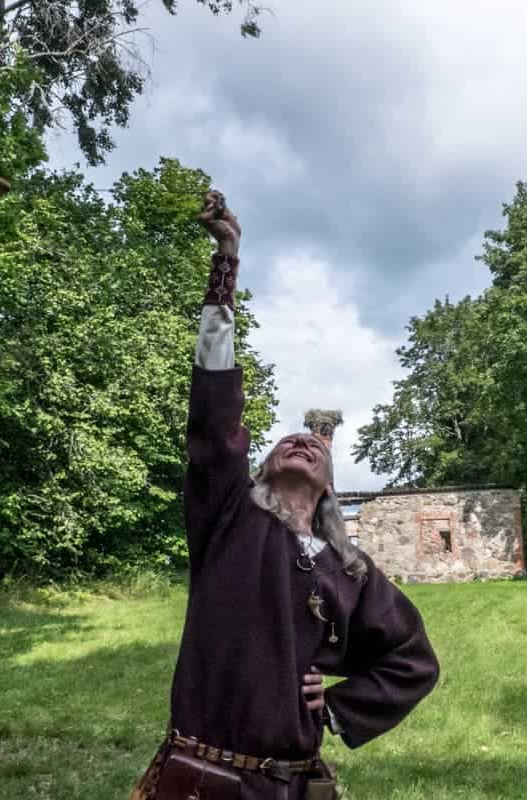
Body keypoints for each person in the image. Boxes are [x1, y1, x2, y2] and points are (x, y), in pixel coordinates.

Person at [131, 191, 440, 800]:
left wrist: (338, 703)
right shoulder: (230, 516)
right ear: (262, 467)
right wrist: (226, 265)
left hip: (293, 787)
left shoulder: (352, 570)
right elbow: (216, 414)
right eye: (286, 440)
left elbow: (413, 660)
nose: (301, 440)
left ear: (329, 484)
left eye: (315, 446)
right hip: (200, 780)